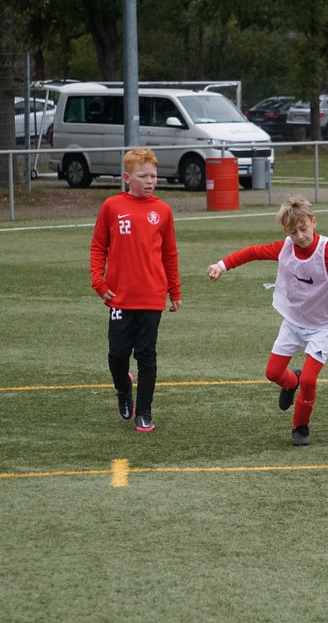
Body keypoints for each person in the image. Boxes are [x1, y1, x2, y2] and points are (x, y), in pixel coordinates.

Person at [208, 196, 328, 447]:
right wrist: (222, 265)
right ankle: (291, 382)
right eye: (293, 232)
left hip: (322, 327)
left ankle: (300, 427)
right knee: (272, 373)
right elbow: (253, 252)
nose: (300, 236)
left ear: (313, 222)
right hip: (293, 322)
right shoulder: (285, 248)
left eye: (304, 229)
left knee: (309, 380)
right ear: (286, 231)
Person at [90, 148, 181, 432]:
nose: (150, 180)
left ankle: (144, 412)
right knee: (117, 355)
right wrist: (98, 282)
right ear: (127, 177)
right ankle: (123, 388)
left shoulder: (163, 211)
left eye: (153, 175)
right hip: (120, 296)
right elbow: (98, 246)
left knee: (146, 355)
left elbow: (169, 254)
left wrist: (174, 291)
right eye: (143, 176)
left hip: (152, 296)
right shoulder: (112, 206)